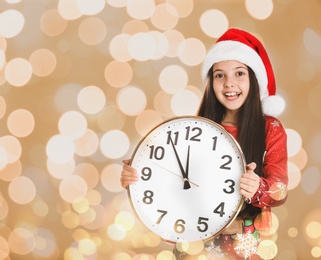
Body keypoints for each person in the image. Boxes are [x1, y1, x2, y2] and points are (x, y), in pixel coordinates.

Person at [120, 28, 288, 259]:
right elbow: (174, 178)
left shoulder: (270, 128)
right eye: (220, 75)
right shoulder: (196, 130)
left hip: (244, 246)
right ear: (211, 81)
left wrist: (258, 187)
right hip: (194, 243)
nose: (229, 83)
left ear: (254, 79)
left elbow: (280, 188)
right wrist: (140, 174)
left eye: (239, 73)